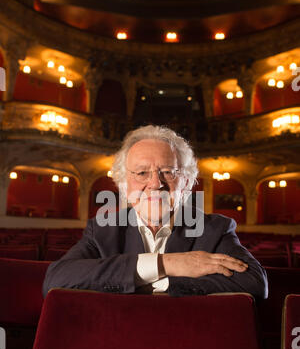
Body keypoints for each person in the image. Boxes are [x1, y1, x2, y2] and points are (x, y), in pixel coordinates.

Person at [43, 125, 268, 299]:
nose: (155, 184)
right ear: (123, 185)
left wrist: (158, 282)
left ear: (187, 182)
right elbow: (56, 278)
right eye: (141, 173)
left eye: (168, 172)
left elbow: (255, 282)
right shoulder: (102, 229)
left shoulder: (214, 229)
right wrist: (166, 264)